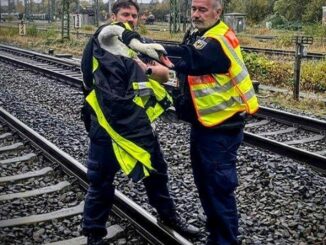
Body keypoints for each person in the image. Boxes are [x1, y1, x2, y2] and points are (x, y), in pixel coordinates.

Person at [80, 0, 199, 244]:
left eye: (134, 15)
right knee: (101, 180)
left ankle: (169, 217)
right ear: (113, 16)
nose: (131, 19)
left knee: (156, 172)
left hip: (140, 124)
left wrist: (148, 70)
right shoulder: (100, 43)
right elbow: (101, 88)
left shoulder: (139, 45)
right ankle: (94, 234)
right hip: (107, 125)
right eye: (125, 14)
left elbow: (166, 75)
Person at [158, 0, 260, 244]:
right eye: (193, 9)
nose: (196, 14)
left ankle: (224, 240)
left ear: (218, 11)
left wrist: (146, 47)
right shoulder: (199, 33)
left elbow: (190, 59)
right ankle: (217, 236)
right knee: (207, 187)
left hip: (221, 129)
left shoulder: (216, 40)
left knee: (217, 190)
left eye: (202, 10)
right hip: (206, 125)